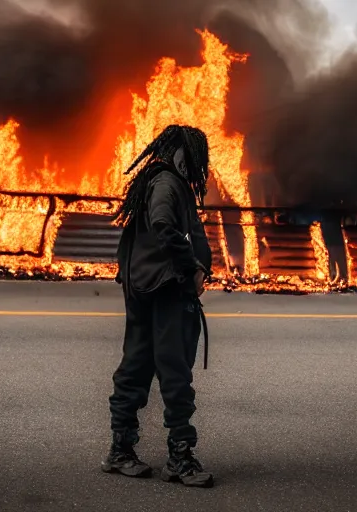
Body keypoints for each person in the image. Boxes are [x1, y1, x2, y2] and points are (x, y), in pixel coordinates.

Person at [101, 125, 214, 488]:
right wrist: (191, 267)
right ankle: (180, 458)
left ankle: (121, 451)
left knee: (136, 366)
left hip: (144, 287)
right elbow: (164, 224)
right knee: (175, 373)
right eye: (195, 158)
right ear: (183, 154)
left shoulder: (156, 179)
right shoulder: (167, 183)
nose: (198, 167)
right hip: (164, 291)